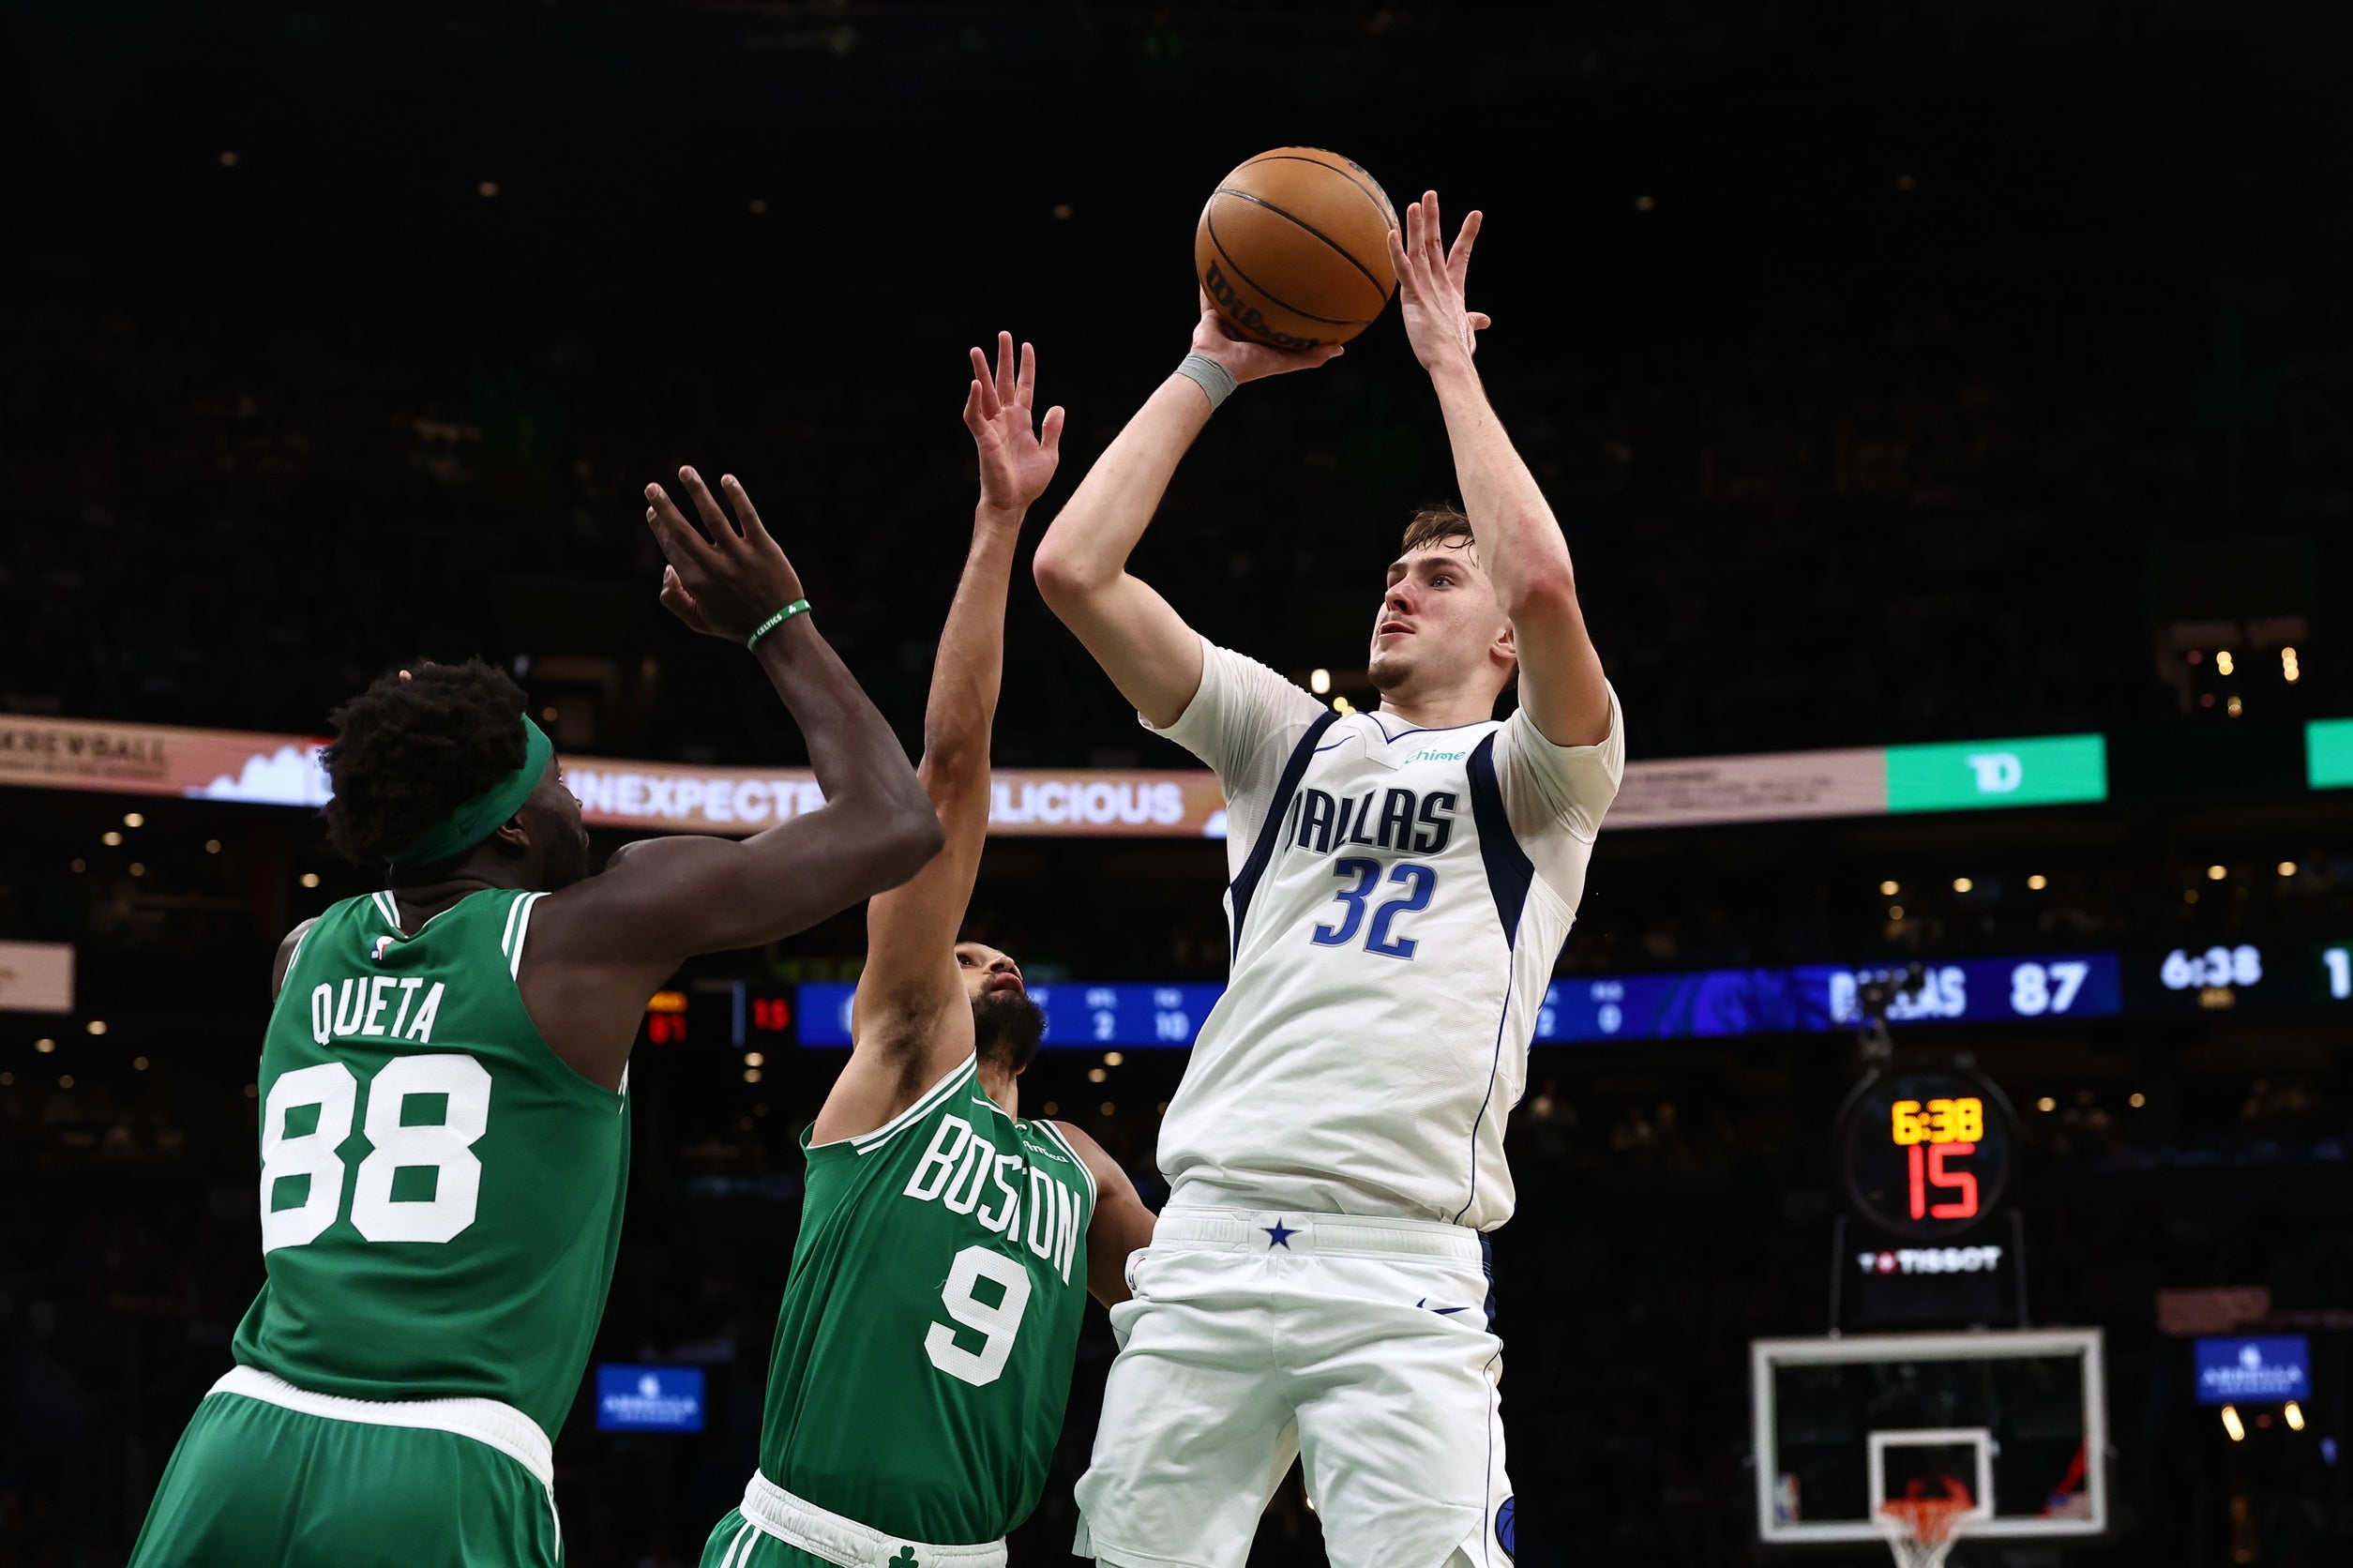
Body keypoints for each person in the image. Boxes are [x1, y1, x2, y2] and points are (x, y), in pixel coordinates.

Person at [128, 469, 943, 1567]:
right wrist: (776, 624)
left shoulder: (299, 956)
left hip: (235, 1437)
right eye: (555, 783)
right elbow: (894, 822)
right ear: (510, 834)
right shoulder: (577, 938)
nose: (578, 802)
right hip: (444, 1463)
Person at [1033, 191, 1626, 1568]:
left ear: (1494, 642)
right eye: (1390, 573)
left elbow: (1541, 578)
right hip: (1214, 1241)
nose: (1397, 593)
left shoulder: (1542, 780)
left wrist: (1446, 366)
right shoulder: (1281, 741)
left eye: (1434, 576)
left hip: (1400, 1262)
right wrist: (1212, 365)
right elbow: (1074, 567)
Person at [701, 335, 1157, 1568]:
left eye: (999, 958)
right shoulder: (909, 1059)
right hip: (808, 1544)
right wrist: (1002, 522)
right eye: (965, 954)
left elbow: (1199, 1314)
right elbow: (949, 771)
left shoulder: (1078, 1173)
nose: (987, 961)